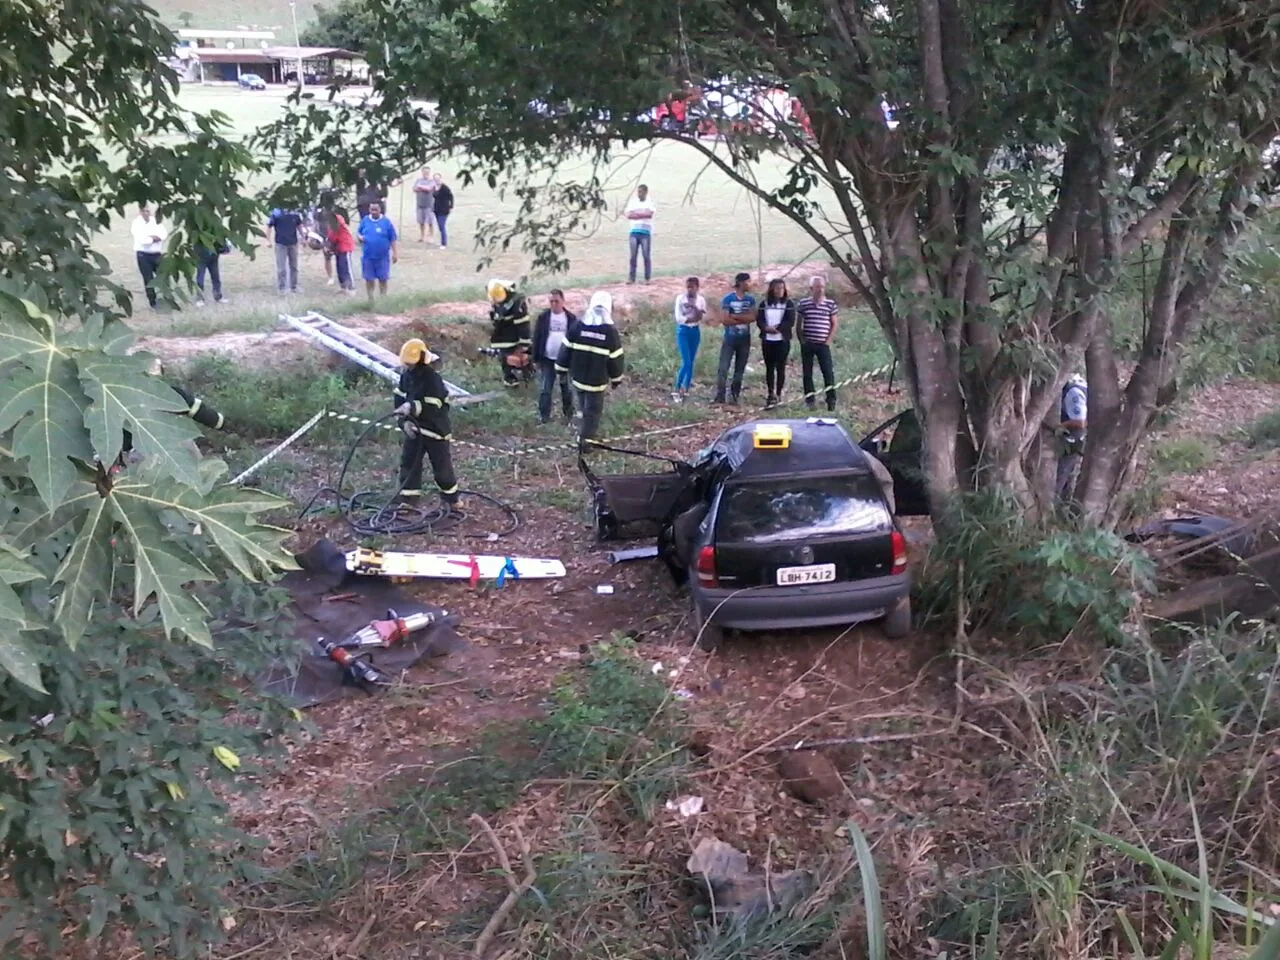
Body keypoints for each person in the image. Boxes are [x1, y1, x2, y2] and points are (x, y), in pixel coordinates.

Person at [393, 338, 460, 510]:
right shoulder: (406, 377)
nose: (408, 367)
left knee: (442, 467)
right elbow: (399, 399)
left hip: (435, 431)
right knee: (409, 464)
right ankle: (408, 501)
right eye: (406, 364)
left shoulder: (432, 380)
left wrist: (413, 406)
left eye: (411, 363)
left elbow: (435, 406)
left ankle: (452, 500)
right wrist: (404, 422)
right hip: (415, 429)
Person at [556, 291, 624, 446]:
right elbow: (616, 359)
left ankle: (581, 432)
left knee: (582, 407)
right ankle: (586, 443)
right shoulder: (610, 332)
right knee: (593, 412)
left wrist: (560, 368)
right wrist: (616, 379)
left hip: (578, 378)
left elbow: (565, 349)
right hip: (596, 382)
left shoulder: (578, 326)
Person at [532, 288, 577, 423]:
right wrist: (535, 358)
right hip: (547, 359)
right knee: (546, 389)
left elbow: (575, 340)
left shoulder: (571, 318)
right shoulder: (543, 317)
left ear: (563, 301)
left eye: (556, 301)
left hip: (564, 361)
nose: (553, 304)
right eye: (551, 301)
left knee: (566, 389)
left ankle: (568, 415)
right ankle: (544, 417)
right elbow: (537, 337)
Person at [796, 275, 839, 411]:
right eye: (817, 287)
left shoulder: (830, 304)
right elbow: (798, 324)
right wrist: (802, 340)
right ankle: (810, 400)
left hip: (823, 344)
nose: (820, 290)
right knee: (807, 373)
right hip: (808, 343)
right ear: (811, 288)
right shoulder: (804, 304)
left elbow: (834, 324)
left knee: (828, 372)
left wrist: (828, 341)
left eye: (822, 287)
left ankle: (831, 400)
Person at [713, 272, 756, 405]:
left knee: (739, 369)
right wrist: (743, 318)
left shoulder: (751, 300)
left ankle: (734, 395)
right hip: (730, 339)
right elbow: (725, 320)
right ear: (741, 283)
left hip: (744, 339)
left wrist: (735, 317)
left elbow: (753, 317)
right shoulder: (728, 299)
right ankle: (720, 395)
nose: (750, 284)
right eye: (748, 282)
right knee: (723, 368)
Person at [756, 278, 796, 408]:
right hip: (768, 340)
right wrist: (766, 328)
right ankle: (770, 393)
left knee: (781, 367)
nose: (780, 291)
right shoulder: (764, 303)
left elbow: (790, 321)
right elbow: (760, 319)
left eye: (782, 288)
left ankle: (779, 394)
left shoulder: (788, 304)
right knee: (769, 367)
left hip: (782, 340)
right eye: (777, 288)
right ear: (772, 289)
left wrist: (778, 328)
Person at [487, 279, 531, 386]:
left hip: (514, 339)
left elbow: (523, 326)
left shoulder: (517, 305)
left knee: (522, 359)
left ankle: (526, 375)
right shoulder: (496, 298)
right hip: (502, 338)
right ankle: (511, 379)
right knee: (506, 360)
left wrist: (524, 345)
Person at [672, 276, 706, 402]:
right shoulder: (680, 299)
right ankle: (677, 388)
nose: (689, 290)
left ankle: (685, 389)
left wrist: (694, 308)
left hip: (695, 331)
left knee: (691, 362)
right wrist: (691, 317)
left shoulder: (701, 300)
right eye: (688, 287)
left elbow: (700, 316)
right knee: (686, 361)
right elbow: (679, 318)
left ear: (697, 288)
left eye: (692, 287)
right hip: (683, 330)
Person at [357, 201, 399, 301]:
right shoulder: (365, 220)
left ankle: (383, 299)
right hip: (368, 257)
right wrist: (360, 237)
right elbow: (358, 232)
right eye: (372, 209)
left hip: (383, 258)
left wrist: (395, 253)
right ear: (369, 210)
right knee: (369, 279)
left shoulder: (386, 222)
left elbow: (392, 238)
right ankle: (370, 299)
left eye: (376, 209)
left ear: (380, 210)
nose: (374, 212)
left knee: (383, 279)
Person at [1057, 373, 1088, 502]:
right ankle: (1063, 507)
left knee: (1062, 472)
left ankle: (1052, 506)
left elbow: (1080, 422)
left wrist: (1058, 426)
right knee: (1068, 474)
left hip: (1074, 436)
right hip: (1075, 435)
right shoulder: (1076, 387)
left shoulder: (1073, 392)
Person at [130, 204, 167, 309]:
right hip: (143, 255)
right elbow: (143, 240)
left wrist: (152, 238)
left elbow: (164, 234)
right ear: (140, 212)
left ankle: (167, 297)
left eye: (148, 211)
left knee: (163, 275)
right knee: (148, 278)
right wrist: (155, 238)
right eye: (144, 211)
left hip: (156, 254)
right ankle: (153, 301)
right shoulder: (136, 224)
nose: (146, 213)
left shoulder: (155, 221)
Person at [267, 207, 303, 294]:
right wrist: (268, 240)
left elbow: (299, 225)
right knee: (281, 268)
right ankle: (281, 288)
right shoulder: (276, 212)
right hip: (281, 244)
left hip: (293, 243)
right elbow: (269, 226)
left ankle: (294, 287)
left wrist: (303, 237)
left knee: (294, 267)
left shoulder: (295, 212)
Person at [624, 184, 655, 283]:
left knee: (646, 256)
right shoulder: (633, 202)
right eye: (638, 191)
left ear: (646, 192)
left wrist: (636, 215)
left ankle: (647, 278)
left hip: (645, 233)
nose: (639, 194)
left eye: (641, 192)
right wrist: (642, 214)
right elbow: (628, 215)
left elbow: (650, 214)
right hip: (634, 232)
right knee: (633, 256)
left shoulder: (649, 202)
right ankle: (631, 278)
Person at [326, 211, 356, 294]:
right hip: (338, 249)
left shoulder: (338, 220)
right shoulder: (330, 227)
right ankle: (343, 287)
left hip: (345, 247)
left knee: (346, 268)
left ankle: (351, 288)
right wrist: (328, 247)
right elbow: (331, 238)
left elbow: (338, 223)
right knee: (340, 268)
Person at [194, 238, 231, 306]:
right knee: (200, 278)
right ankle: (200, 299)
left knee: (216, 277)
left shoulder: (215, 232)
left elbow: (223, 246)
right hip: (201, 258)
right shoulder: (198, 233)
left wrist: (224, 248)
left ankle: (218, 296)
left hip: (213, 258)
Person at [413, 166, 438, 243]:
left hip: (429, 205)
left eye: (427, 172)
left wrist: (420, 187)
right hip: (420, 204)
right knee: (421, 222)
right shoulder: (418, 180)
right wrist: (421, 188)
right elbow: (414, 189)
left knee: (430, 222)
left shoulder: (432, 181)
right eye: (424, 172)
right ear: (422, 172)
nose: (426, 173)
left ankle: (431, 237)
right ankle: (422, 236)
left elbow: (429, 189)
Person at [433, 174, 454, 248]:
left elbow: (451, 196)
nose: (437, 180)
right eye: (435, 179)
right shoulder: (434, 187)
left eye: (438, 179)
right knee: (440, 226)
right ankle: (442, 241)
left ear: (440, 179)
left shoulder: (445, 188)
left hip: (444, 209)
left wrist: (451, 206)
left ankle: (444, 243)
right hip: (436, 209)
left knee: (442, 226)